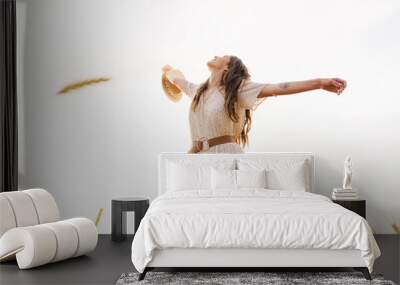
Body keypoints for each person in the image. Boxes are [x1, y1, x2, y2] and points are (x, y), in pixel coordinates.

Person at [163, 55, 347, 154]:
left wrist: (321, 83)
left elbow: (281, 87)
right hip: (198, 157)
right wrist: (167, 71)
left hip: (225, 157)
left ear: (227, 68)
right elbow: (177, 79)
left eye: (221, 56)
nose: (215, 55)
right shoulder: (197, 91)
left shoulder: (238, 90)